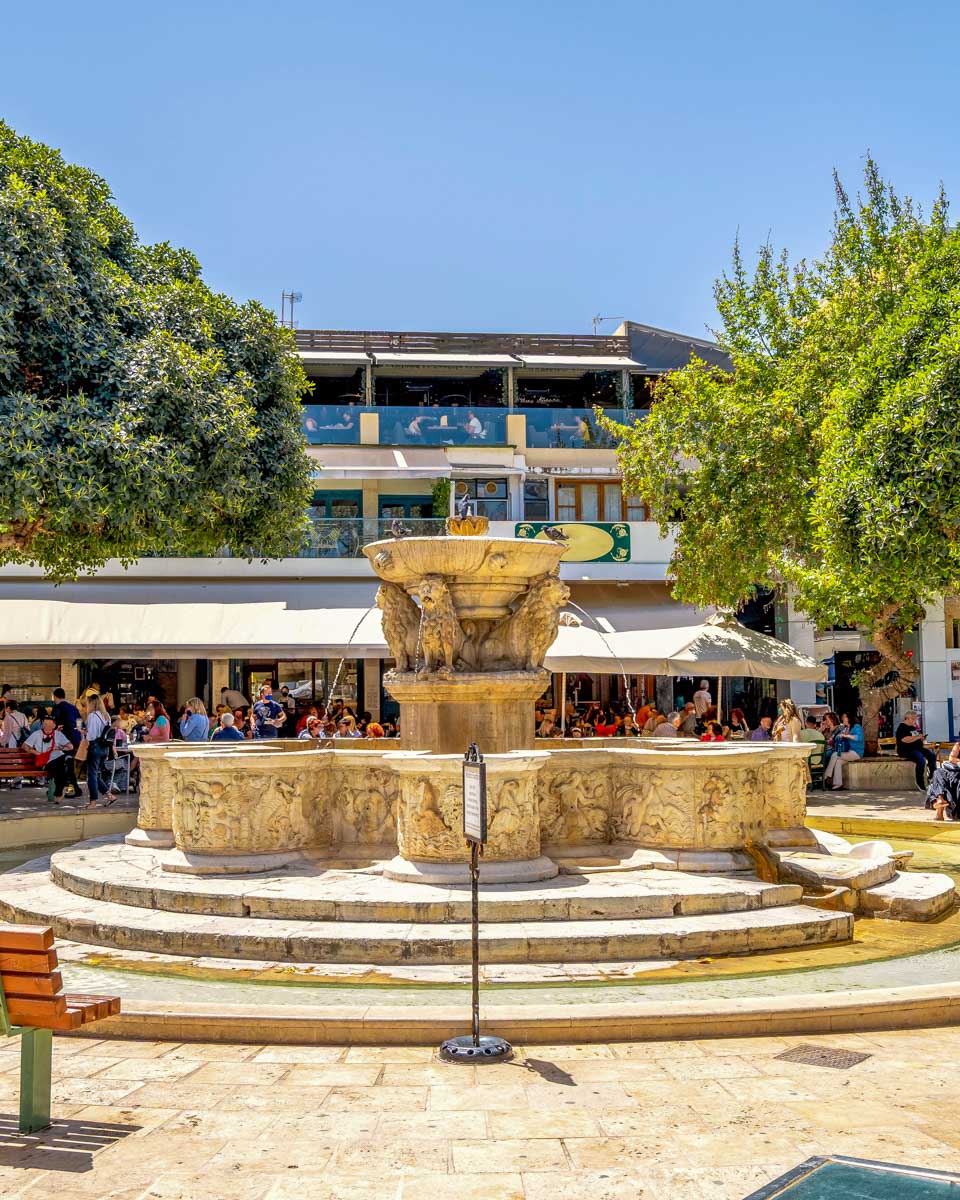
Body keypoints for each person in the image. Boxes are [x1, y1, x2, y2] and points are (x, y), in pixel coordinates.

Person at [22, 717, 78, 803]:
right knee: (63, 767)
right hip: (46, 761)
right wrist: (37, 753)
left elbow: (70, 746)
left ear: (54, 725)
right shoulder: (37, 734)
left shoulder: (58, 734)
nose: (46, 726)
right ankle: (60, 792)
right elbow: (25, 746)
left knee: (61, 766)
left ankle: (59, 793)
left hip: (59, 757)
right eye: (45, 724)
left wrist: (59, 747)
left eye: (49, 724)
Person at [84, 693, 118, 807]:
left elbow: (92, 735)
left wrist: (83, 732)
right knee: (96, 774)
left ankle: (93, 802)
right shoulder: (106, 715)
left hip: (95, 747)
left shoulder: (92, 716)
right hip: (104, 748)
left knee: (91, 776)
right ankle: (110, 796)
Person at [895, 711, 937, 791]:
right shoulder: (901, 728)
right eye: (913, 719)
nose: (915, 720)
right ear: (908, 718)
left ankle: (933, 776)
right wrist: (917, 737)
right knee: (921, 760)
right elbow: (904, 740)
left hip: (918, 748)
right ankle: (920, 782)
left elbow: (915, 736)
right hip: (907, 750)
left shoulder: (912, 727)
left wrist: (920, 738)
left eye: (915, 718)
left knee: (932, 755)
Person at [824, 712, 865, 789]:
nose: (842, 719)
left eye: (844, 717)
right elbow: (839, 738)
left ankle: (827, 775)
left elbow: (859, 738)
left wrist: (846, 736)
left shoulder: (856, 727)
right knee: (838, 762)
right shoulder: (845, 728)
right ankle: (838, 784)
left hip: (856, 752)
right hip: (847, 752)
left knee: (835, 755)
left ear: (849, 718)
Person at [926, 742, 960, 821]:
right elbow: (951, 759)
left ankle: (939, 809)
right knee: (938, 773)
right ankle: (940, 798)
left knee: (935, 784)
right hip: (955, 774)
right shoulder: (958, 745)